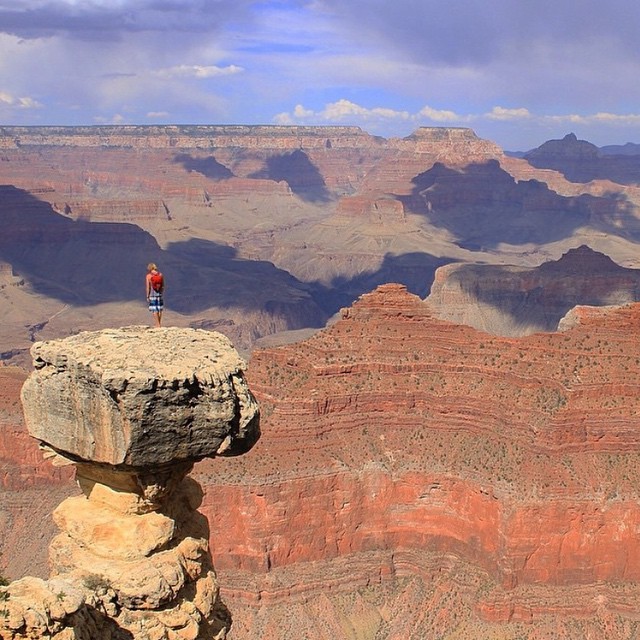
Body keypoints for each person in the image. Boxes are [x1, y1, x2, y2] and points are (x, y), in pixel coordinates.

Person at [146, 263, 164, 327]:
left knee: (154, 310)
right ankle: (159, 323)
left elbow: (148, 287)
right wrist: (161, 292)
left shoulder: (148, 276)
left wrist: (147, 296)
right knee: (160, 309)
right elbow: (163, 286)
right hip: (159, 294)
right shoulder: (160, 275)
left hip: (152, 295)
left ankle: (157, 325)